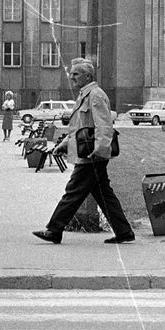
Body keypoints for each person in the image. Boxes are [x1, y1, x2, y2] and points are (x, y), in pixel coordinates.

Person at [33, 58, 135, 245]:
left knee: (73, 191)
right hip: (89, 153)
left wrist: (100, 150)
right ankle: (124, 232)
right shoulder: (86, 94)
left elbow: (104, 125)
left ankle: (54, 230)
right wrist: (64, 144)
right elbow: (79, 126)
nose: (71, 77)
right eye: (71, 73)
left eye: (76, 74)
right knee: (104, 194)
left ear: (88, 76)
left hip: (91, 155)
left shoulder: (95, 95)